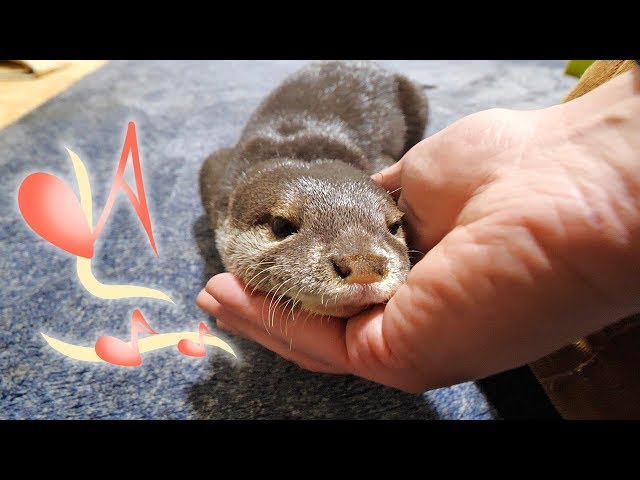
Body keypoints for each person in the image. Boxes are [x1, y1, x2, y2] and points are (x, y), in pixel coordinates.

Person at [196, 62, 640, 397]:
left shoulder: (378, 175)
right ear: (233, 217)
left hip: (379, 94)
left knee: (410, 98)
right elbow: (213, 167)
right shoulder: (229, 190)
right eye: (282, 227)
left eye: (391, 227)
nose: (364, 267)